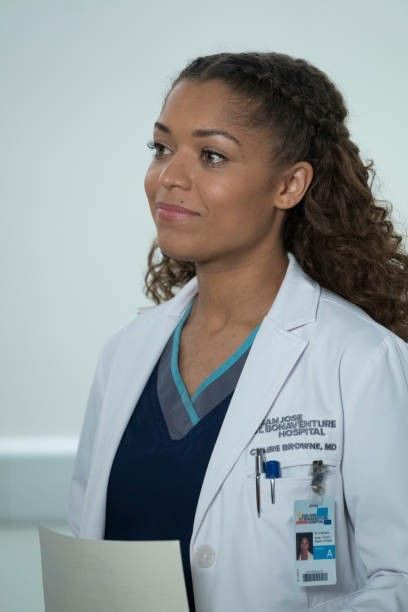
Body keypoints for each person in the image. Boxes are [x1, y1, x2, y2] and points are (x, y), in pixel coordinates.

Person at [68, 51, 408, 611]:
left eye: (211, 156)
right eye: (161, 148)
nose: (170, 177)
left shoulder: (361, 360)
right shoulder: (125, 355)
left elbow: (399, 579)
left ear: (289, 185)